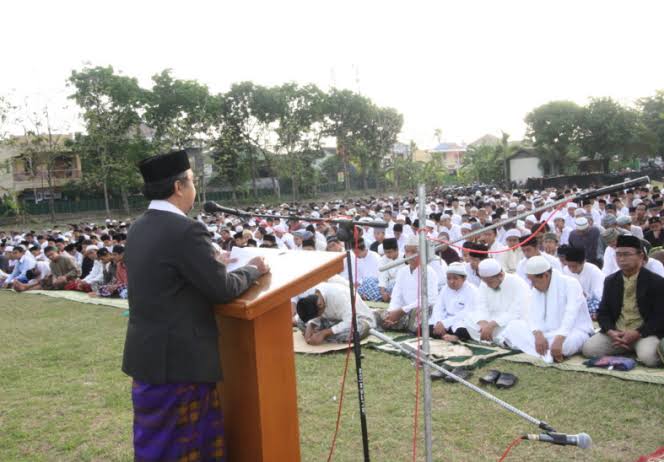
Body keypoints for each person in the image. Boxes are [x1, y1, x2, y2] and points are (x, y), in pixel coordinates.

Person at [122, 150, 270, 461]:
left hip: (149, 356)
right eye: (192, 181)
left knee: (155, 445)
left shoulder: (138, 227)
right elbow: (222, 288)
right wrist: (253, 268)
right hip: (180, 363)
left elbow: (169, 278)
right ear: (178, 187)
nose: (195, 188)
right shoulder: (185, 230)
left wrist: (212, 263)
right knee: (185, 448)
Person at [582, 235, 664, 367]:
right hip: (617, 333)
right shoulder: (611, 281)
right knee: (589, 349)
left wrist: (637, 333)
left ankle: (634, 347)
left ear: (641, 256)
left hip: (643, 333)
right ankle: (626, 347)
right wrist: (610, 332)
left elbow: (659, 317)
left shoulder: (656, 282)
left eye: (626, 254)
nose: (621, 259)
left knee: (650, 359)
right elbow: (603, 312)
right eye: (618, 254)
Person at [503, 256, 594, 363]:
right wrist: (537, 334)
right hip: (546, 334)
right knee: (513, 326)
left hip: (572, 332)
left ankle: (542, 350)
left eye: (534, 281)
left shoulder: (570, 284)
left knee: (566, 345)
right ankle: (548, 353)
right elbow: (531, 314)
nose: (532, 285)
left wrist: (560, 338)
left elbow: (571, 314)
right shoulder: (536, 288)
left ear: (545, 275)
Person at [463, 258, 530, 346]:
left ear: (501, 275)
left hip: (507, 322)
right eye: (484, 281)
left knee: (516, 327)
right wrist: (483, 322)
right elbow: (481, 305)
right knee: (468, 318)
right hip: (490, 320)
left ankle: (499, 339)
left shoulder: (518, 283)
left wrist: (492, 324)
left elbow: (517, 312)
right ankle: (491, 338)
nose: (487, 285)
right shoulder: (485, 283)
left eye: (490, 282)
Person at [379, 235, 438, 333]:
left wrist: (402, 311)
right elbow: (396, 296)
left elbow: (429, 299)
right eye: (407, 251)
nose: (409, 255)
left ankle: (407, 327)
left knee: (417, 314)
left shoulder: (429, 272)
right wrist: (392, 312)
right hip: (403, 311)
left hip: (419, 311)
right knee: (379, 316)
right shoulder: (403, 271)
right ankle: (394, 322)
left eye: (413, 252)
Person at [295, 277, 377, 345]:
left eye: (317, 314)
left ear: (320, 305)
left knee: (356, 331)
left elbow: (350, 321)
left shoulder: (338, 295)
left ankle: (323, 336)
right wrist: (310, 326)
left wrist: (324, 333)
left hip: (357, 319)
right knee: (300, 322)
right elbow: (312, 316)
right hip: (332, 321)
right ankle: (322, 336)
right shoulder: (314, 294)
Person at [430, 262, 476, 342]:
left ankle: (455, 337)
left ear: (464, 278)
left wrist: (445, 324)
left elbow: (467, 313)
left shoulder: (472, 290)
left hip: (461, 321)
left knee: (462, 331)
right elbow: (438, 308)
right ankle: (444, 334)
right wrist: (439, 322)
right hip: (445, 319)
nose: (451, 281)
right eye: (449, 278)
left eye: (455, 278)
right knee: (426, 328)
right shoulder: (445, 289)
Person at [562, 247, 604, 319]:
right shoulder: (565, 270)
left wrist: (584, 296)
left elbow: (599, 297)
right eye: (569, 266)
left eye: (574, 266)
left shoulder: (595, 272)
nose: (571, 269)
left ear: (584, 261)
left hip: (591, 305)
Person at [377, 237, 400, 302]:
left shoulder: (404, 258)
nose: (387, 255)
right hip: (387, 285)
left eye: (389, 252)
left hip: (399, 286)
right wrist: (383, 292)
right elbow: (382, 277)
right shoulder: (383, 259)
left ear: (397, 249)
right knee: (369, 280)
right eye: (385, 252)